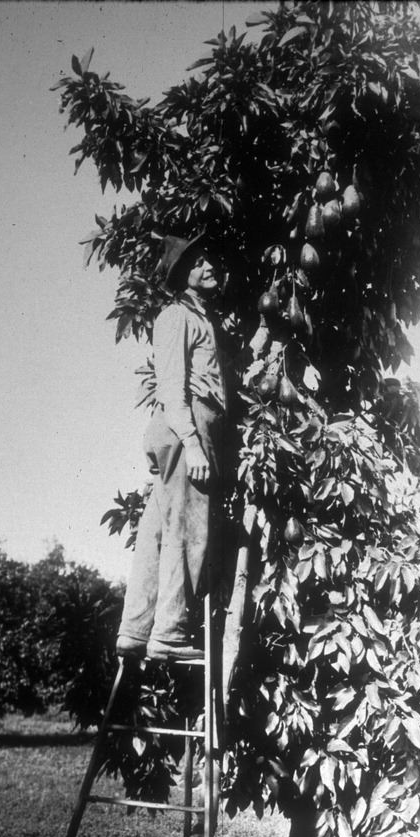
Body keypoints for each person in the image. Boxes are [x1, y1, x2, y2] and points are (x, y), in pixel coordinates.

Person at [115, 234, 230, 662]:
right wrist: (193, 444)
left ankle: (136, 629)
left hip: (184, 428)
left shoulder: (199, 317)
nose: (208, 267)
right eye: (197, 264)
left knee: (156, 532)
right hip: (187, 425)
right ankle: (169, 632)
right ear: (183, 276)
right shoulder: (175, 316)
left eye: (207, 260)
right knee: (187, 529)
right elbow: (171, 388)